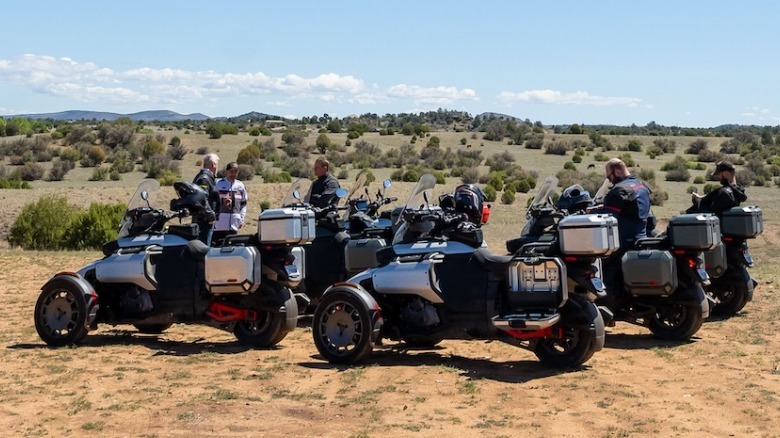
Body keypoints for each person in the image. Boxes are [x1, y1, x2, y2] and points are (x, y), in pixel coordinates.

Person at [598, 158, 652, 313]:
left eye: (609, 176)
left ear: (617, 171)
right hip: (639, 237)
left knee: (600, 265)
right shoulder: (641, 185)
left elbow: (608, 218)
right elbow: (628, 208)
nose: (609, 180)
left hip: (623, 241)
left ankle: (606, 308)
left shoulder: (619, 190)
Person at [213, 162, 248, 246]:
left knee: (231, 248)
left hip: (234, 224)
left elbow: (243, 204)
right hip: (219, 224)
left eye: (235, 172)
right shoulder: (218, 183)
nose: (233, 174)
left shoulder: (240, 186)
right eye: (231, 171)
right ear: (226, 171)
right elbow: (212, 201)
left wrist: (241, 218)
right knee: (217, 246)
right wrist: (222, 201)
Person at [192, 153, 220, 245]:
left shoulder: (203, 177)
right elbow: (201, 199)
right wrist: (210, 214)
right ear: (213, 164)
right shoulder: (204, 178)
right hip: (204, 221)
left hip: (203, 219)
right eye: (217, 165)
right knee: (204, 248)